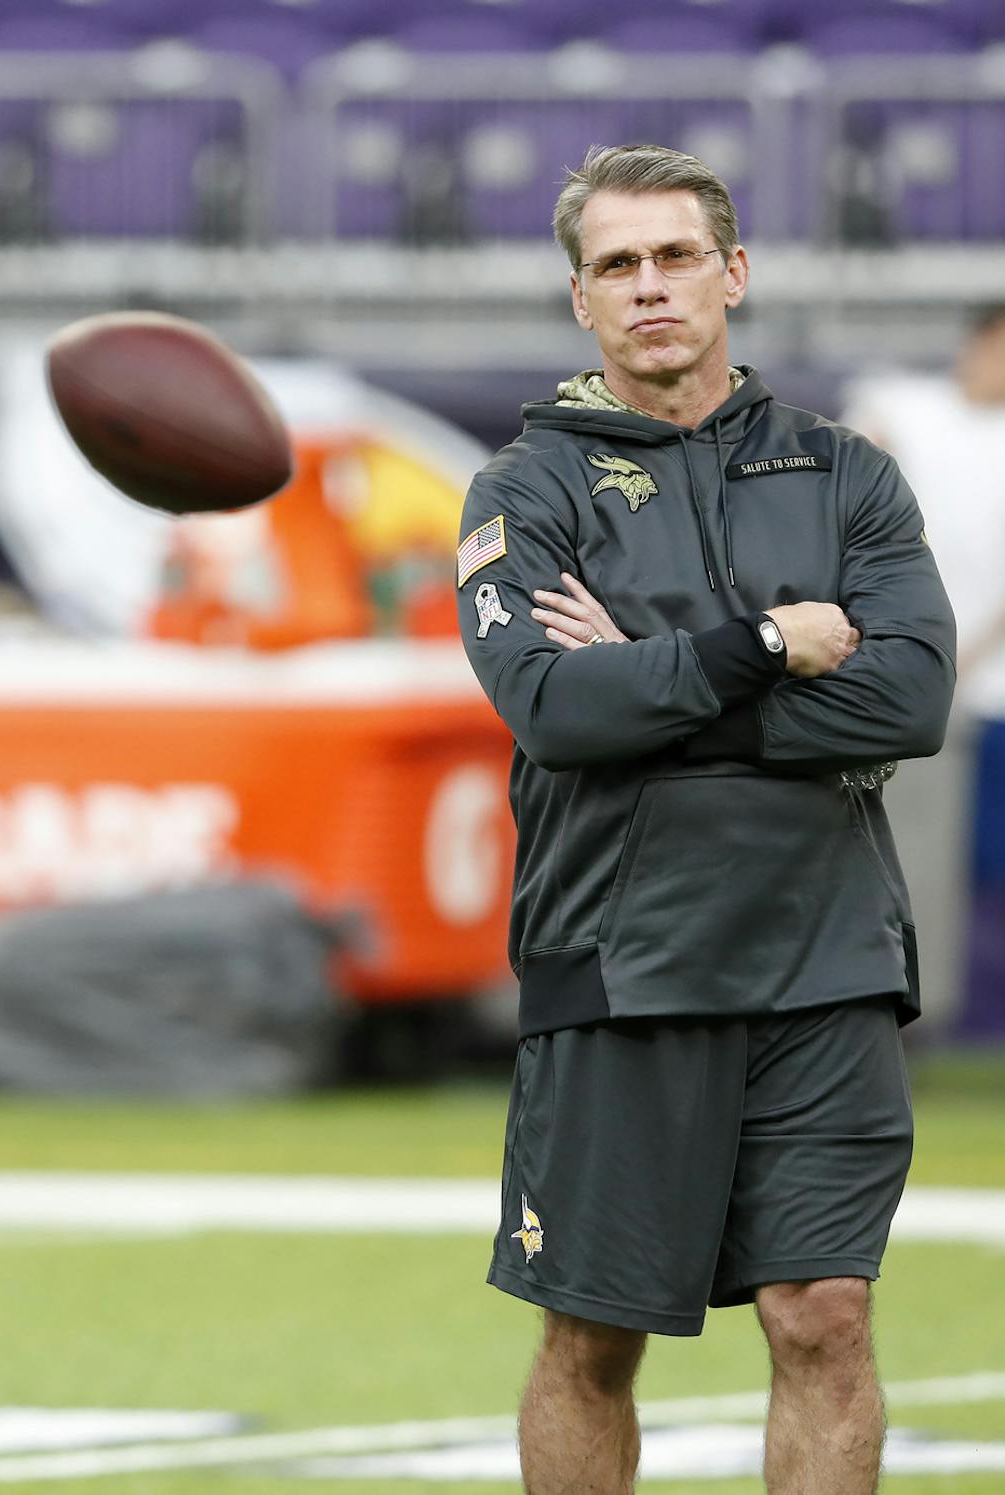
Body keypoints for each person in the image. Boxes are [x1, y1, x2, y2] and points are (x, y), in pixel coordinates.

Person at [452, 143, 954, 1494]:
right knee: (595, 1336)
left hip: (828, 953)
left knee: (826, 1315)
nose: (650, 286)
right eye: (618, 265)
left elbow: (907, 701)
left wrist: (663, 673)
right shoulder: (525, 490)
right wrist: (764, 644)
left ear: (733, 273)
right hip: (623, 960)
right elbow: (558, 710)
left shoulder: (848, 473)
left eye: (676, 256)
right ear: (581, 301)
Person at [842, 307, 1005, 1036]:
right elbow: (846, 454)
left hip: (984, 688)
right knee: (904, 859)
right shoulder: (908, 405)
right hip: (908, 686)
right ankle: (901, 1015)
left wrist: (963, 657)